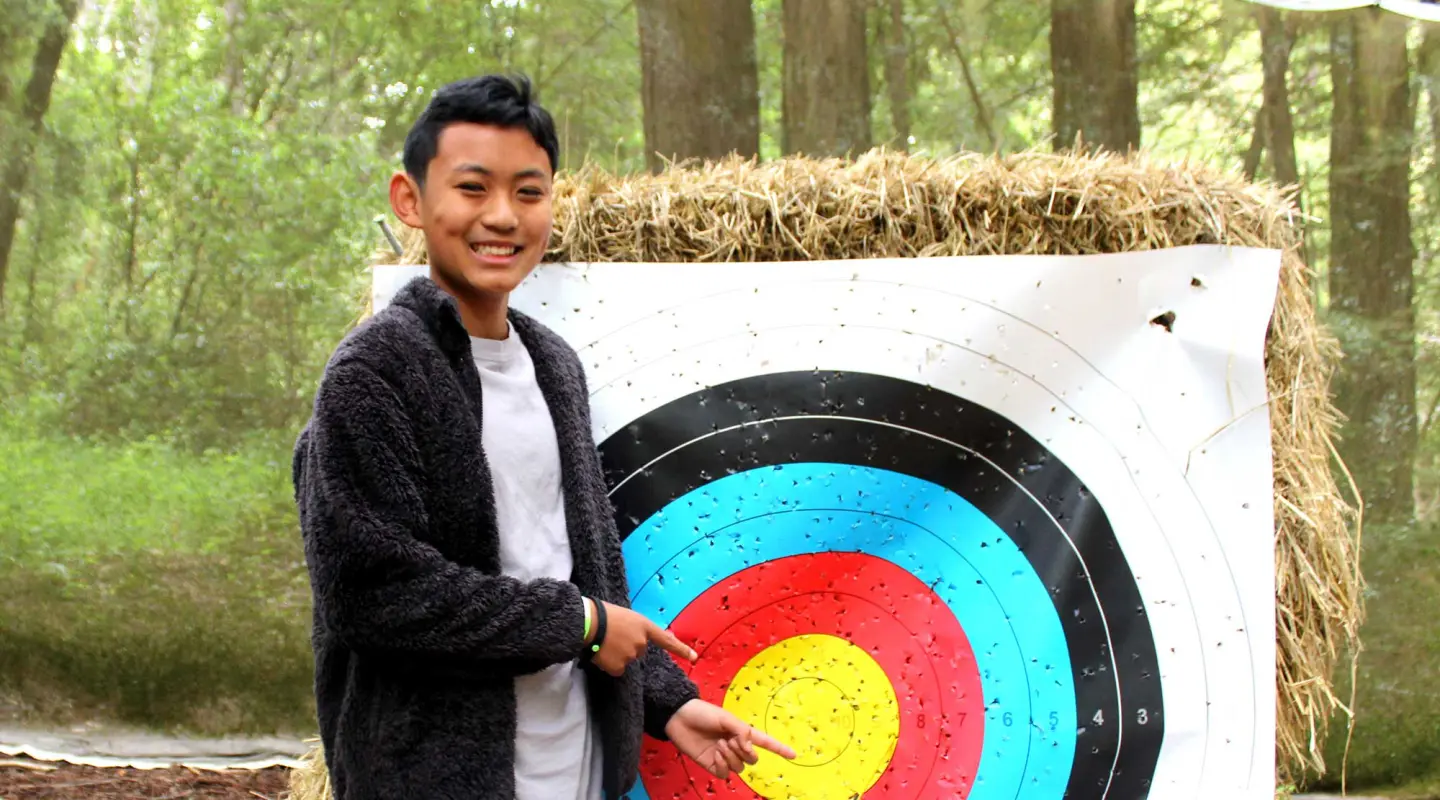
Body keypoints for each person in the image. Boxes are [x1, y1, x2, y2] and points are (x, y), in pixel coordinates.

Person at [291, 73, 795, 800]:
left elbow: (586, 566)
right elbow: (374, 593)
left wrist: (666, 703)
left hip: (577, 764)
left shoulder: (555, 364)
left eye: (528, 192)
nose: (502, 216)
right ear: (410, 200)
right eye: (472, 188)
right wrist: (581, 625)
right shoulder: (375, 370)